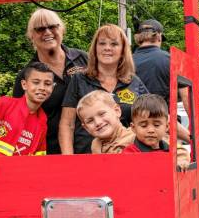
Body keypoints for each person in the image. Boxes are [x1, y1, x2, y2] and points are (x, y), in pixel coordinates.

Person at [59, 23, 148, 154]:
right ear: (95, 48)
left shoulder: (133, 81)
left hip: (125, 159)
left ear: (123, 50)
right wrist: (69, 160)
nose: (107, 48)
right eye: (102, 43)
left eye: (114, 44)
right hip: (86, 159)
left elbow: (155, 114)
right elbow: (67, 125)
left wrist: (186, 135)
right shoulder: (79, 79)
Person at [13, 9, 88, 154]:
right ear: (31, 36)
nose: (47, 32)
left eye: (52, 26)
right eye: (40, 29)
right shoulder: (26, 76)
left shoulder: (83, 59)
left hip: (91, 147)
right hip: (50, 152)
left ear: (62, 29)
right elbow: (19, 121)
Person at [0, 62, 54, 156]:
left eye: (47, 84)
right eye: (36, 82)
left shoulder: (42, 120)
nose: (42, 88)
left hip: (19, 170)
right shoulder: (3, 104)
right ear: (24, 84)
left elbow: (39, 159)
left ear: (52, 88)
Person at [133, 19, 190, 115]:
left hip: (134, 124)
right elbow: (186, 97)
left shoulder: (126, 62)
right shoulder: (173, 60)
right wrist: (194, 127)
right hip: (163, 123)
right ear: (159, 37)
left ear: (139, 38)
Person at [123, 94, 190, 170]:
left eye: (156, 125)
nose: (151, 130)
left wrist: (182, 161)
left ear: (166, 127)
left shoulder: (172, 149)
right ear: (133, 128)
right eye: (144, 125)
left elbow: (183, 155)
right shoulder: (130, 153)